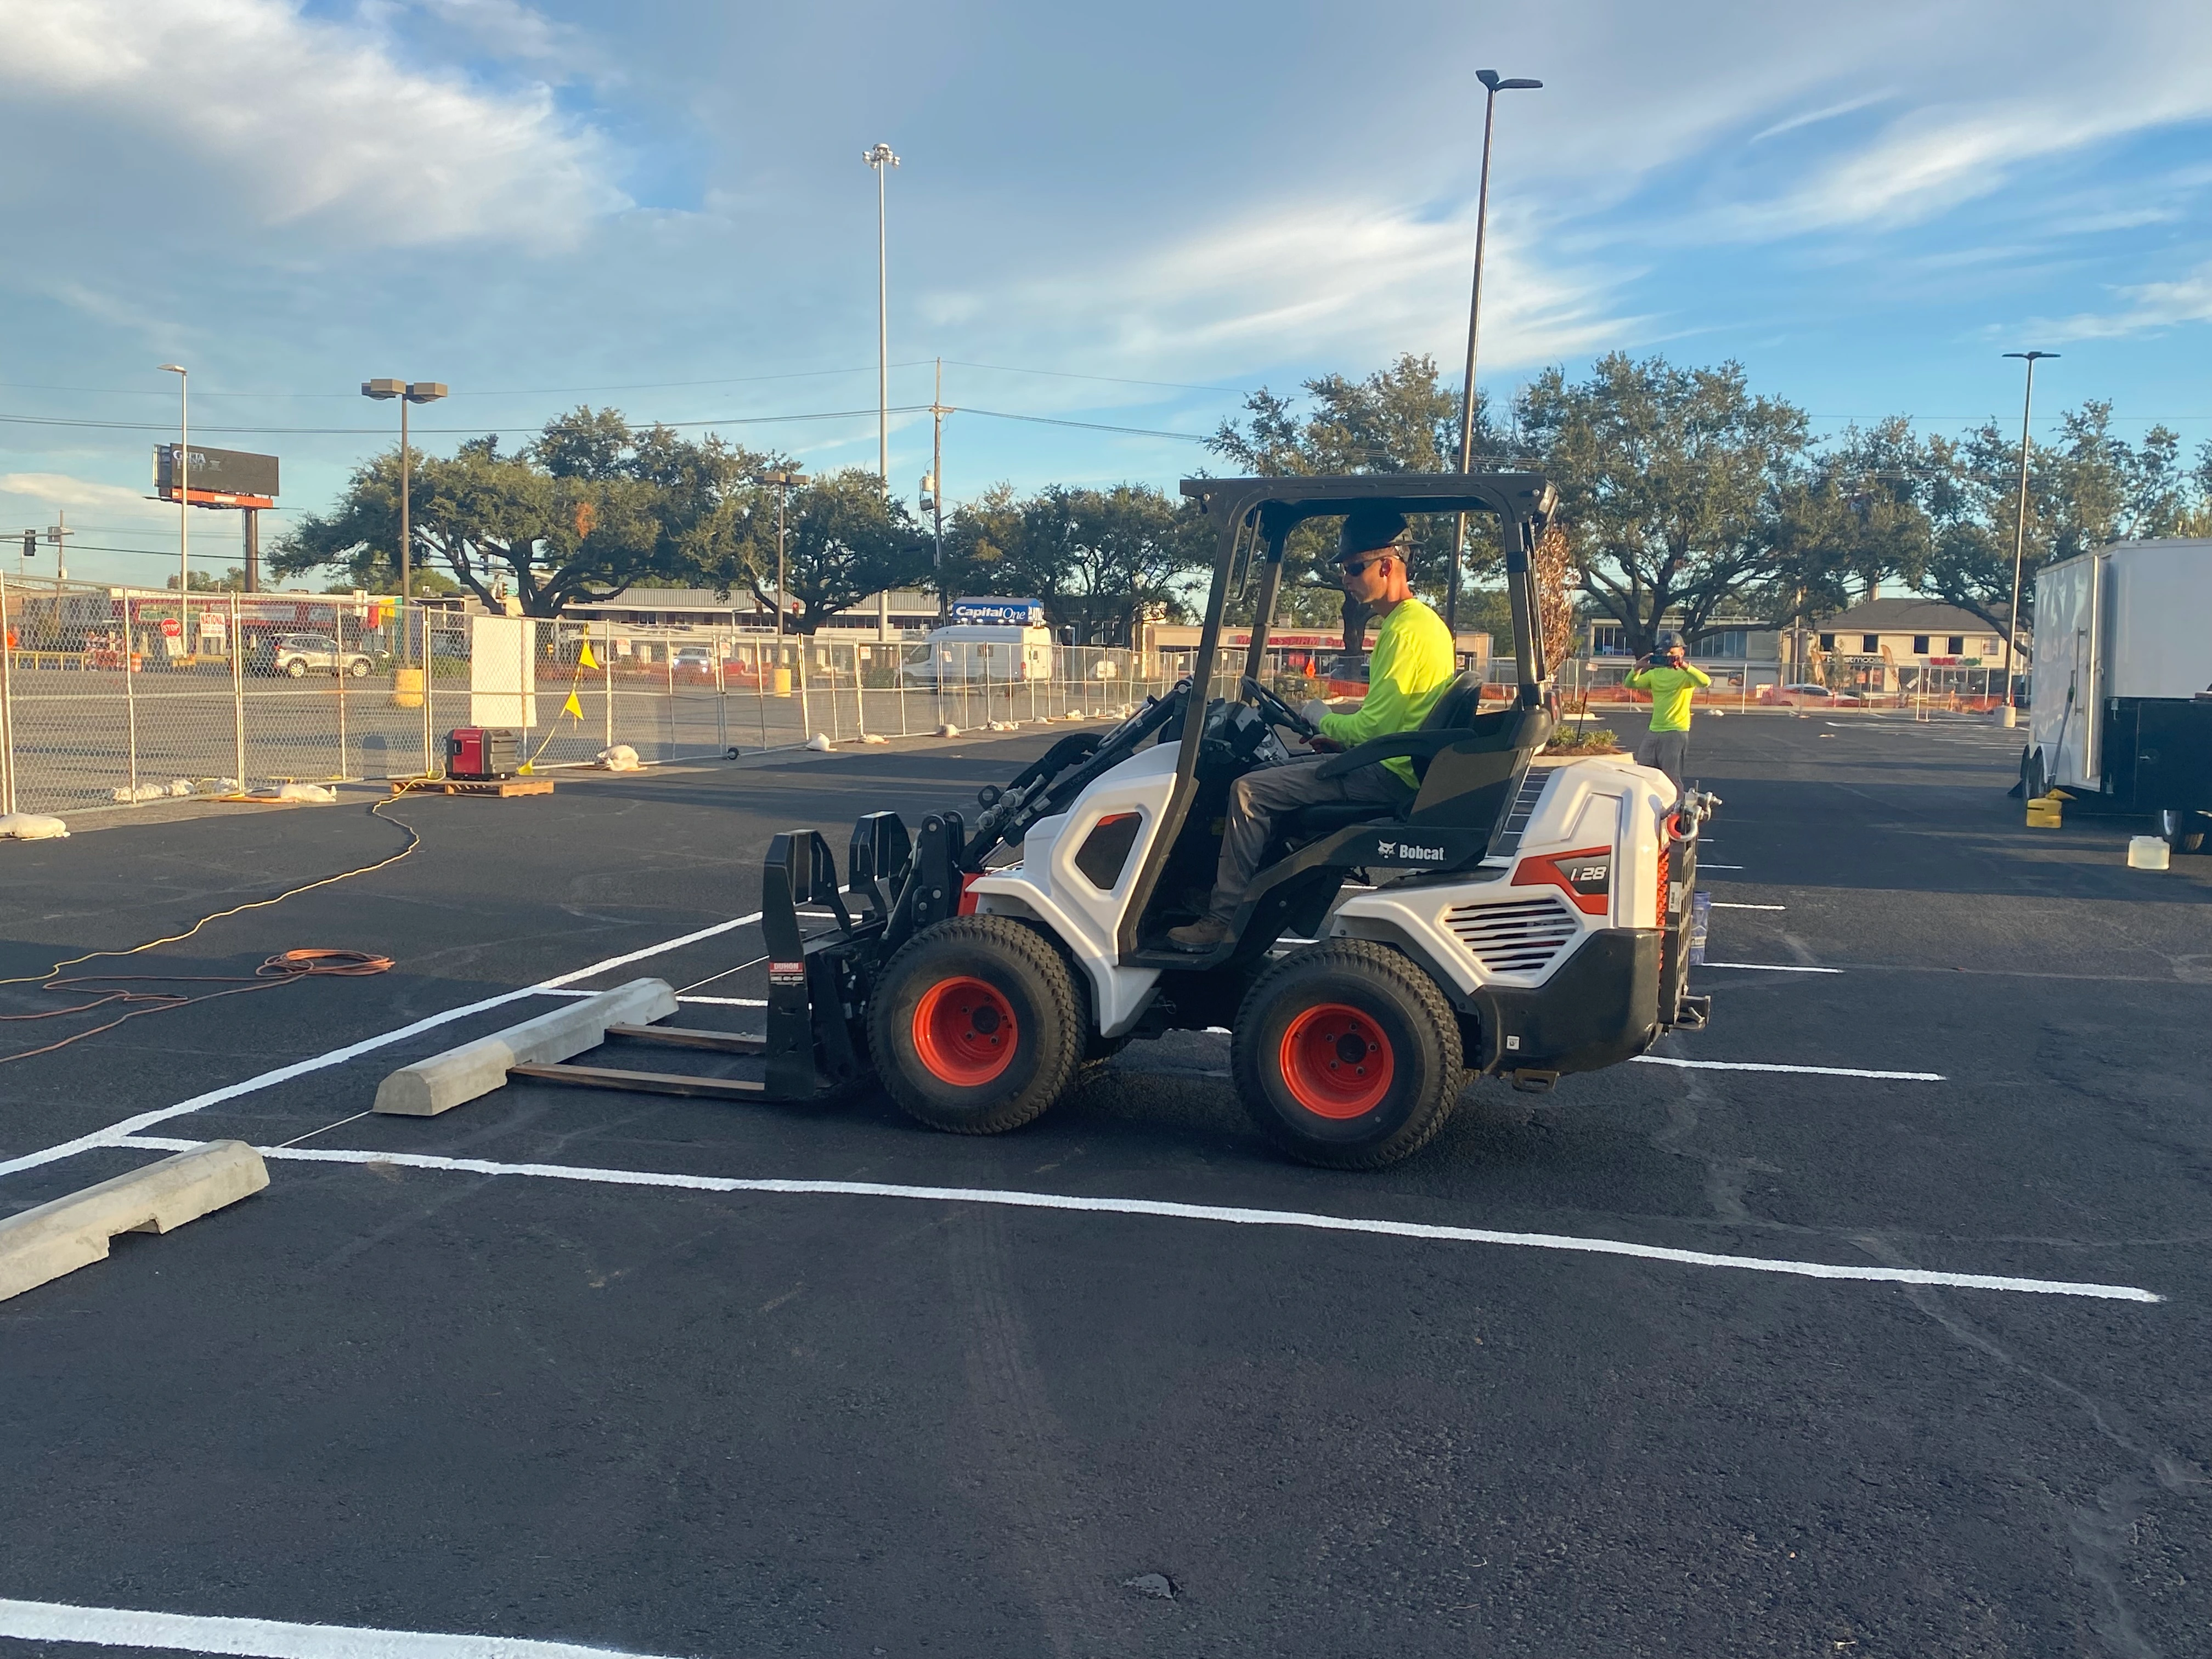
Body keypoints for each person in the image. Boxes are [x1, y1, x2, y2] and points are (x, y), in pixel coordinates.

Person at [1167, 508, 1456, 951]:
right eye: (1343, 569)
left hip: (1388, 773)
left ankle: (1220, 921)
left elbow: (1374, 725)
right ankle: (1240, 895)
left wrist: (1321, 716)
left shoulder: (1406, 631)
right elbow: (1394, 719)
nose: (1347, 577)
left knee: (1248, 792)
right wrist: (1336, 738)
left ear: (1387, 564)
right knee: (1282, 773)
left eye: (1354, 566)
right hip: (1396, 762)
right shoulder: (1421, 625)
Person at [1623, 633, 1710, 794]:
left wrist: (1684, 666)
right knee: (1644, 773)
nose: (1668, 655)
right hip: (1654, 730)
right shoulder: (1656, 673)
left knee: (1671, 778)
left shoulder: (1686, 676)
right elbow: (1630, 683)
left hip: (1676, 732)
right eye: (1665, 652)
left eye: (1672, 651)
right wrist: (1638, 667)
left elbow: (1706, 682)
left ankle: (1675, 815)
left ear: (1681, 652)